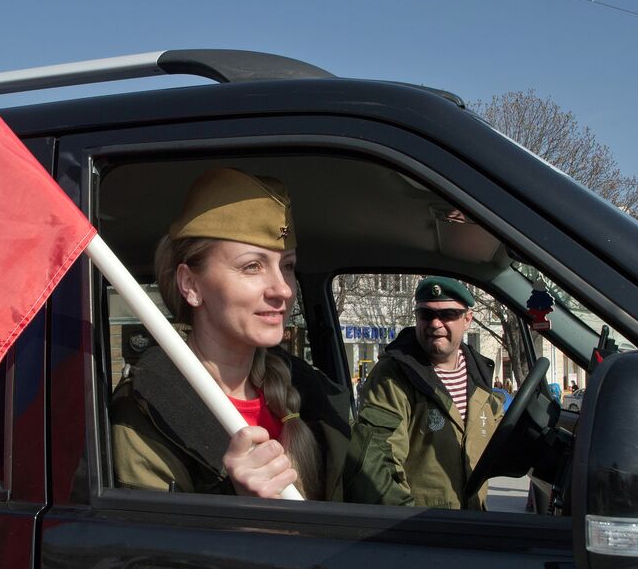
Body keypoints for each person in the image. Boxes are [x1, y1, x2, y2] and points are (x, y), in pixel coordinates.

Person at [110, 167, 350, 499]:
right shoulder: (146, 414)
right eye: (252, 266)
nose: (282, 289)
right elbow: (152, 544)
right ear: (191, 285)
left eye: (288, 266)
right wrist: (239, 508)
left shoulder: (311, 392)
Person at [343, 276, 503, 508]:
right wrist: (409, 527)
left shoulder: (480, 374)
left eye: (448, 315)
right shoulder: (394, 375)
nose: (436, 324)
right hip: (425, 527)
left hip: (474, 523)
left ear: (467, 319)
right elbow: (378, 464)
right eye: (426, 315)